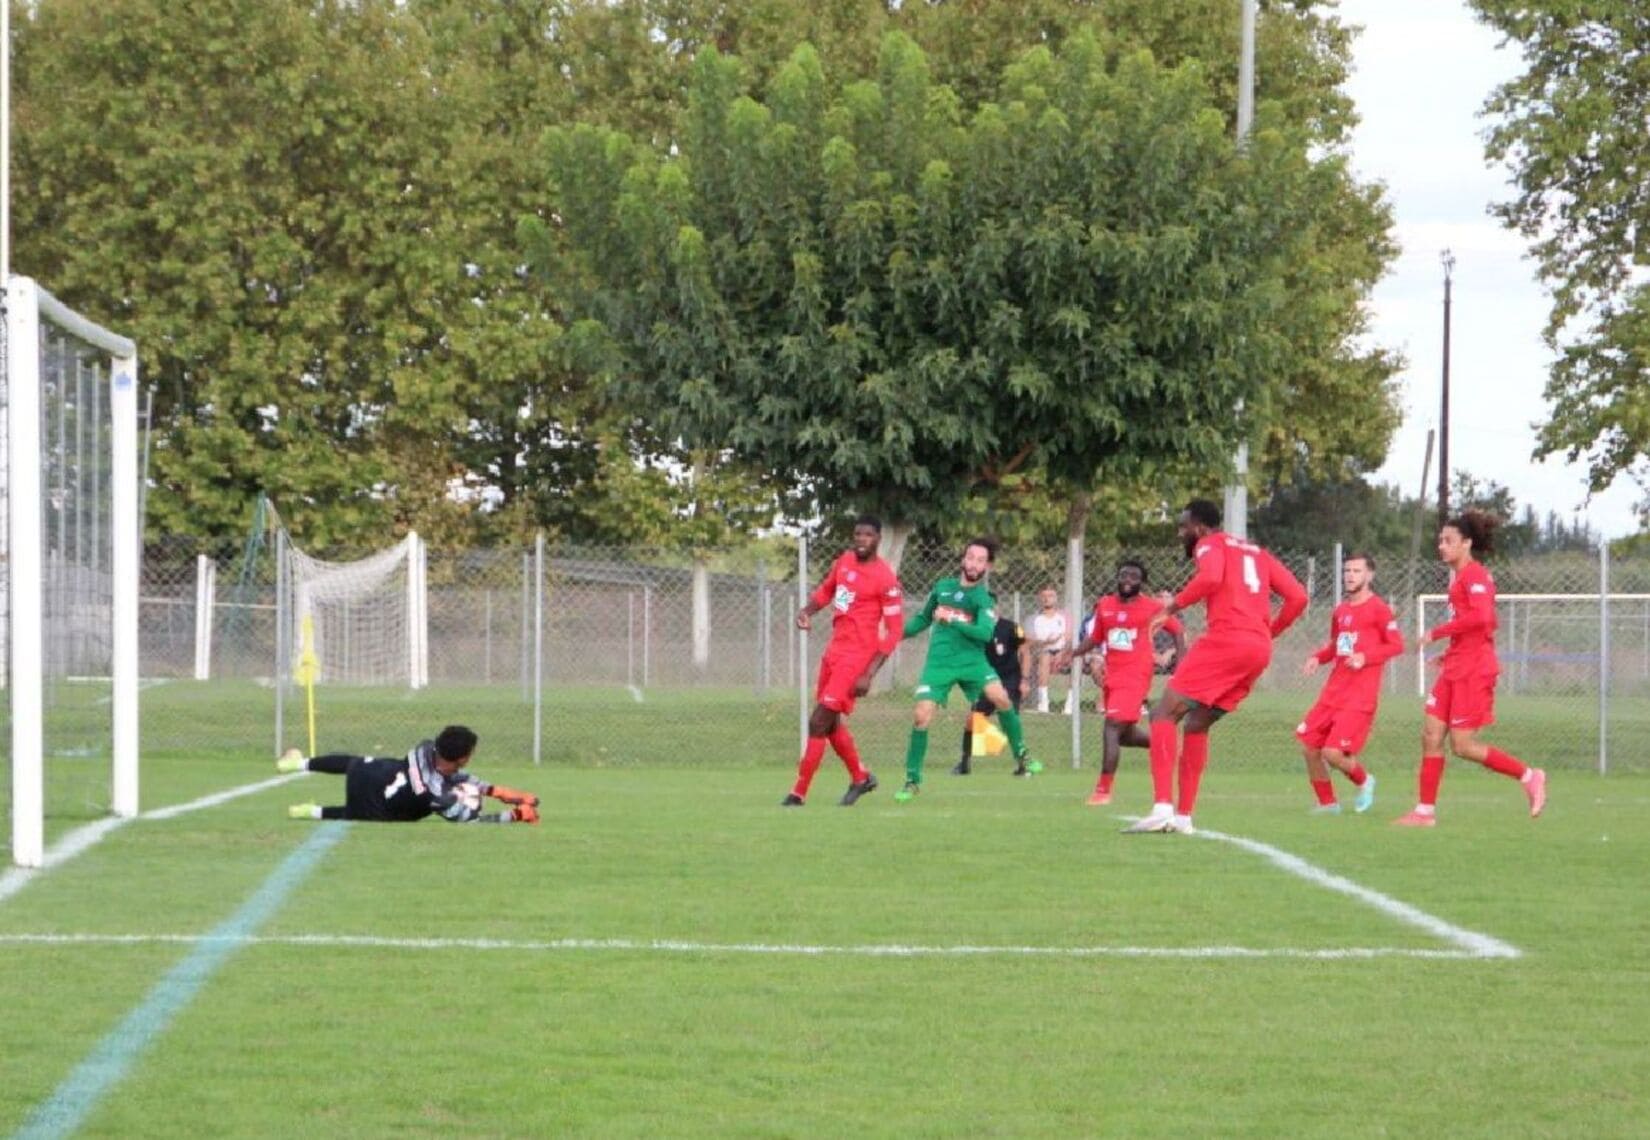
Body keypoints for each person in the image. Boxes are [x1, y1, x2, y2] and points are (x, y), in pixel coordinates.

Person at [1129, 500, 1309, 834]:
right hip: (1257, 650)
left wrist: (1172, 607)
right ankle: (1184, 818)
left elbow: (1211, 578)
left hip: (1227, 640)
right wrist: (1268, 632)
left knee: (1162, 714)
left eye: (1184, 527)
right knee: (1196, 723)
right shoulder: (1257, 552)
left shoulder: (1210, 544)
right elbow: (1298, 597)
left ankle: (1162, 807)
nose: (1182, 534)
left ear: (1199, 527)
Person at [1394, 510, 1547, 826]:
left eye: (1448, 541)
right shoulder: (1460, 579)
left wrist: (1436, 634)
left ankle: (1529, 775)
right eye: (1440, 540)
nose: (1442, 546)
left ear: (1466, 543)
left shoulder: (1476, 576)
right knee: (1430, 734)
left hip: (1473, 671)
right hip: (1456, 665)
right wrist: (1450, 652)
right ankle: (1425, 811)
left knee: (1462, 746)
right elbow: (1473, 626)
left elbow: (1482, 618)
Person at [896, 539, 1040, 801]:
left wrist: (951, 619)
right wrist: (894, 634)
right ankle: (912, 781)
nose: (974, 563)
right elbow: (922, 619)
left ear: (988, 566)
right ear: (963, 560)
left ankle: (1022, 754)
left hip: (972, 662)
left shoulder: (982, 599)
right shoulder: (942, 587)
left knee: (1001, 698)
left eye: (980, 560)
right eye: (970, 557)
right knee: (921, 715)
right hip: (939, 663)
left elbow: (985, 633)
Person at [785, 515, 902, 807]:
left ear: (878, 539)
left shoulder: (885, 578)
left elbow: (895, 630)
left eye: (868, 535)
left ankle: (798, 793)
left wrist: (870, 673)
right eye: (858, 534)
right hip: (835, 651)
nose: (861, 539)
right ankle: (860, 777)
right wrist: (807, 611)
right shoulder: (845, 561)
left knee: (818, 720)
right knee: (831, 722)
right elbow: (827, 590)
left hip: (857, 659)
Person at [1054, 560, 1185, 806]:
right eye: (1124, 575)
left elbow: (1177, 631)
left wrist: (1181, 667)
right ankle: (1164, 742)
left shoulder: (1152, 607)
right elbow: (1096, 637)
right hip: (1112, 675)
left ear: (1142, 582)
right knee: (1122, 735)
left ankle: (1103, 790)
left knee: (1111, 726)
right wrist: (1072, 653)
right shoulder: (1105, 605)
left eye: (1134, 576)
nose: (1127, 580)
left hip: (1136, 675)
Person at [1296, 553, 1403, 814]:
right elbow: (1338, 647)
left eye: (1356, 571)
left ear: (1369, 575)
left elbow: (1397, 645)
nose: (1350, 576)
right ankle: (1328, 804)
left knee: (1333, 752)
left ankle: (1365, 781)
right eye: (1347, 571)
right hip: (1334, 692)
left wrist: (1365, 657)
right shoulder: (1342, 611)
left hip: (1359, 696)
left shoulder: (1379, 609)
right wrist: (1317, 658)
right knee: (1310, 747)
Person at [280, 724, 539, 824]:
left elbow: (452, 775)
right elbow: (470, 821)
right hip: (375, 811)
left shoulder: (424, 748)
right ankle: (307, 812)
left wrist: (496, 791)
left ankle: (298, 764)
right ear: (463, 757)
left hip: (370, 775)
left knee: (353, 763)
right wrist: (514, 815)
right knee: (360, 813)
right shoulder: (437, 796)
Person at [952, 599, 1030, 775]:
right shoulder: (977, 629)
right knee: (973, 720)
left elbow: (1025, 651)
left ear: (996, 608)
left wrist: (1024, 680)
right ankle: (964, 763)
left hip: (1010, 680)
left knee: (1010, 723)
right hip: (986, 681)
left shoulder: (1012, 627)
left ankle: (1022, 764)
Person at [1026, 587, 1073, 713]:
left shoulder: (1064, 617)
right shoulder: (1034, 618)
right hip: (1041, 651)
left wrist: (1062, 653)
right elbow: (1029, 641)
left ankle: (1069, 704)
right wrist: (1046, 642)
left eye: (1051, 595)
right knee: (1045, 657)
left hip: (1062, 651)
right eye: (1044, 596)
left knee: (1075, 660)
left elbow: (1069, 638)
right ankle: (1044, 703)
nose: (1047, 599)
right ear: (1040, 599)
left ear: (1056, 599)